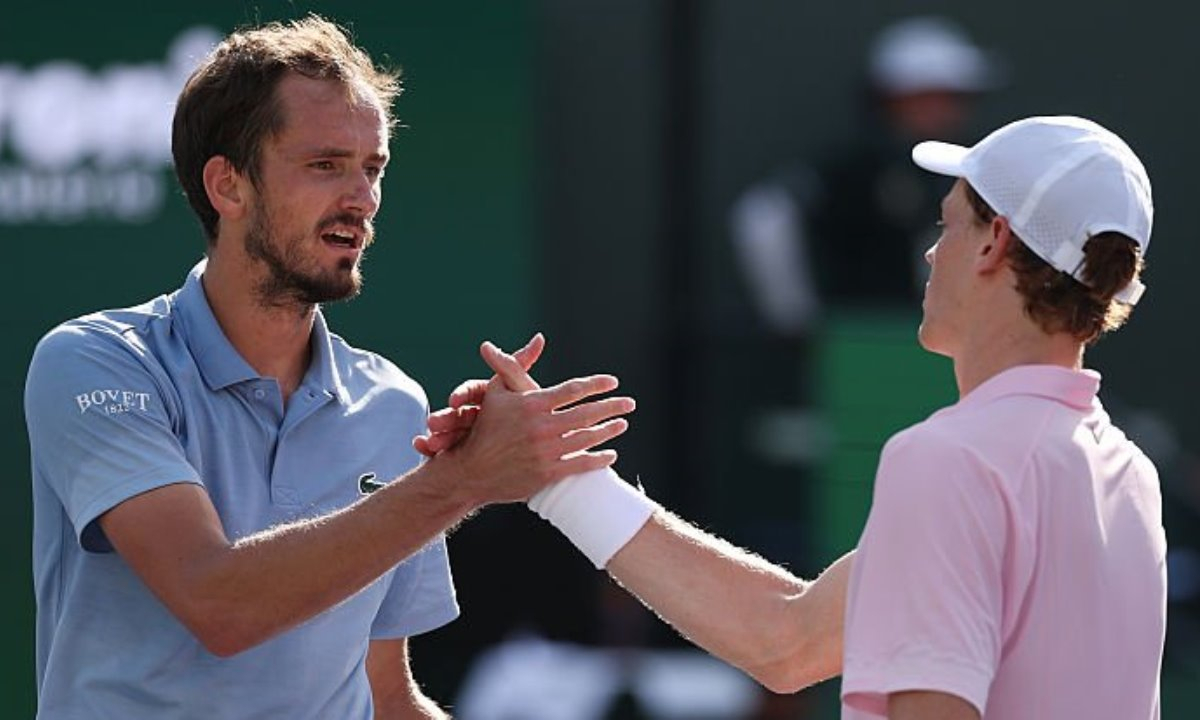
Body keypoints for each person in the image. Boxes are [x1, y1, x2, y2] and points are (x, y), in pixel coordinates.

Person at [424, 115, 1164, 719]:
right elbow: (789, 639)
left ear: (994, 242)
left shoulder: (952, 461)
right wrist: (559, 479)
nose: (932, 254)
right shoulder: (1128, 474)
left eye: (946, 227)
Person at [23, 16, 634, 719]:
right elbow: (217, 601)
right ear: (228, 186)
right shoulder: (94, 363)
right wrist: (461, 480)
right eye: (325, 165)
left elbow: (386, 696)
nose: (362, 199)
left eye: (372, 169)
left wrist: (455, 481)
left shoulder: (392, 405)